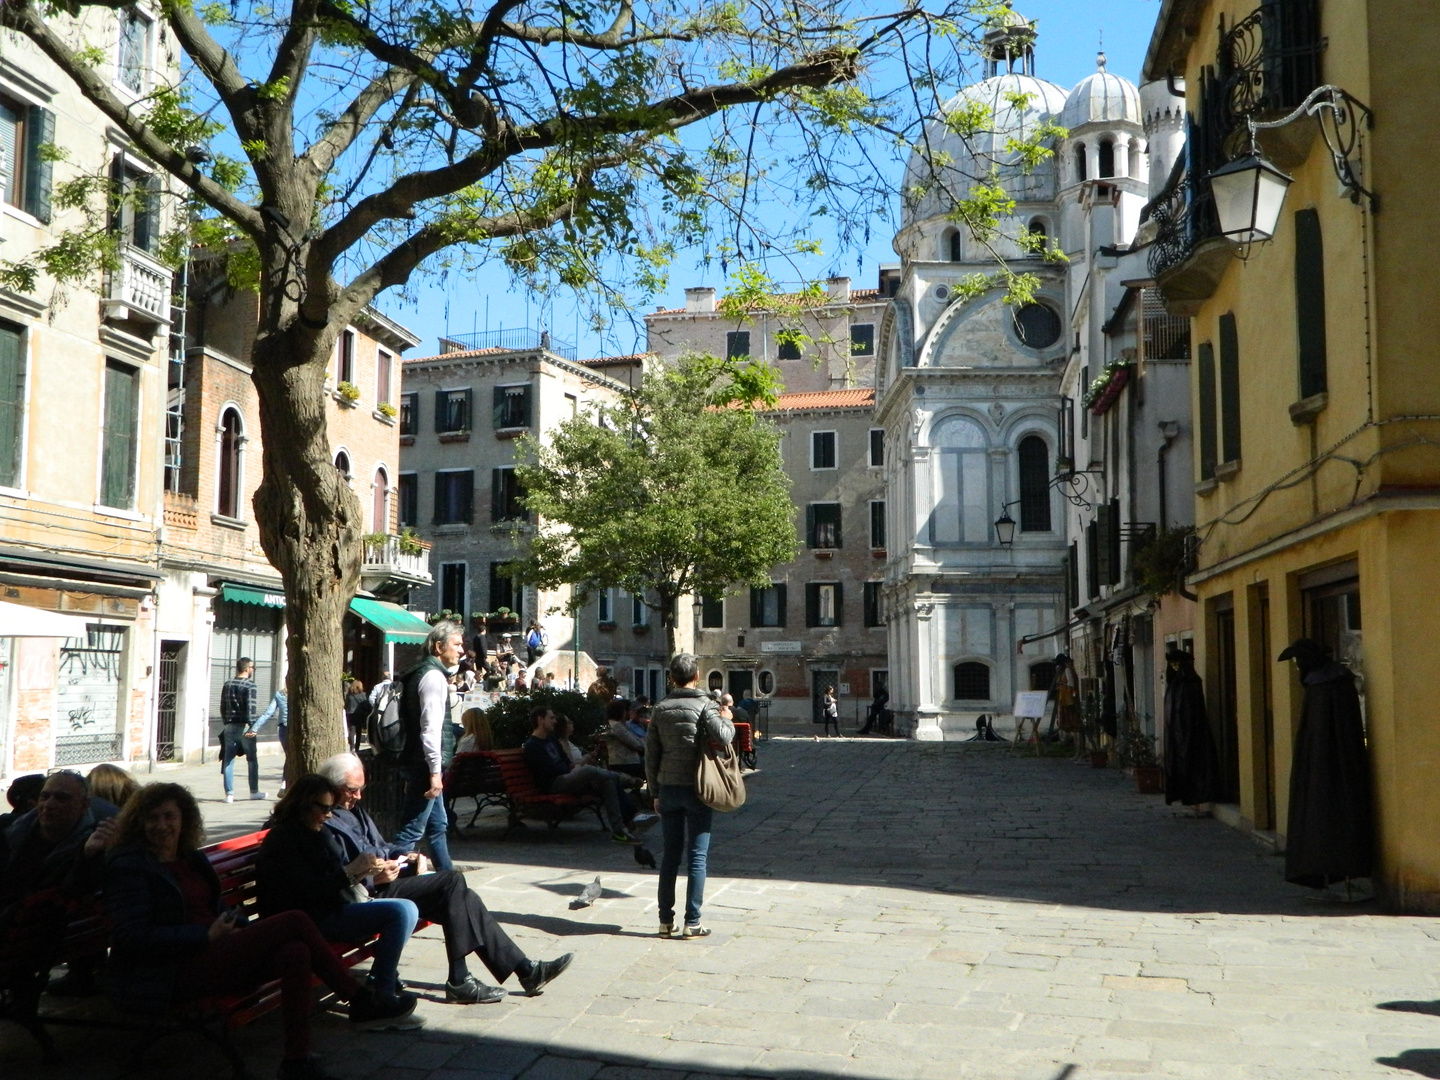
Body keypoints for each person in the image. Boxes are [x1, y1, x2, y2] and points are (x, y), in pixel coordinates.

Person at [104, 783, 416, 1080]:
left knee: (297, 952)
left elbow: (217, 907)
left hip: (217, 951)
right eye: (152, 818)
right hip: (171, 970)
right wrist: (205, 936)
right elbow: (132, 938)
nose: (162, 826)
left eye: (169, 816)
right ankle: (359, 1000)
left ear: (183, 819)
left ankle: (297, 1061)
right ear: (138, 823)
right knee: (294, 919)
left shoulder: (190, 858)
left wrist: (239, 928)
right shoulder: (131, 867)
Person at [319, 754, 574, 1002]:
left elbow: (382, 845)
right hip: (367, 895)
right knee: (451, 882)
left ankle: (521, 971)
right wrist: (376, 878)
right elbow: (342, 876)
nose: (359, 796)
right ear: (334, 786)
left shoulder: (354, 809)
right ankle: (467, 980)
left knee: (463, 898)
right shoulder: (326, 821)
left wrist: (406, 855)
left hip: (389, 881)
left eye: (361, 788)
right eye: (352, 790)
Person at [256, 775, 423, 1020]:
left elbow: (337, 875)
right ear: (303, 805)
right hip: (310, 919)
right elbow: (306, 892)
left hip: (332, 908)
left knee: (407, 909)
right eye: (324, 808)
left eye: (331, 808)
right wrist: (350, 872)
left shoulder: (318, 833)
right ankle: (382, 995)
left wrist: (365, 871)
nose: (328, 815)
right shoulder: (283, 839)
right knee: (400, 911)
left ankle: (381, 991)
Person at [646, 653, 733, 939]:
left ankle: (664, 922)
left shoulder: (660, 708)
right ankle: (692, 921)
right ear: (696, 677)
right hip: (697, 788)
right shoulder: (705, 705)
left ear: (671, 678)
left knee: (670, 856)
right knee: (697, 857)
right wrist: (726, 717)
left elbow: (651, 755)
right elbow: (724, 736)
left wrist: (654, 792)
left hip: (668, 788)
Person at [1278, 638, 1374, 890]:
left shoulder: (1322, 687)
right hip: (1340, 765)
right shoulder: (1334, 683)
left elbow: (1320, 734)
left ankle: (1329, 868)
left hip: (1323, 769)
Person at [392, 620, 462, 872]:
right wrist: (435, 771)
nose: (461, 650)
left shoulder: (421, 673)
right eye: (456, 644)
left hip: (420, 761)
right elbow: (430, 728)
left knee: (437, 826)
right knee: (411, 830)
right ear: (438, 646)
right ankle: (387, 880)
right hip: (425, 764)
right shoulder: (433, 677)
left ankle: (450, 882)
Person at [524, 706, 637, 843]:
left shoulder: (552, 740)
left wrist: (572, 768)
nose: (555, 721)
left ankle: (619, 831)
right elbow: (549, 770)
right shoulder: (532, 745)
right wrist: (572, 769)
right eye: (551, 718)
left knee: (607, 782)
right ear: (540, 720)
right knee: (587, 770)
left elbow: (566, 761)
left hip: (568, 778)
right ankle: (624, 778)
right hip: (554, 784)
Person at [219, 656, 266, 803]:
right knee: (252, 759)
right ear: (246, 669)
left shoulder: (227, 684)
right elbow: (250, 708)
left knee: (228, 760)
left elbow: (222, 706)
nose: (253, 670)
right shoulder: (250, 685)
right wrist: (253, 726)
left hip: (230, 726)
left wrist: (226, 721)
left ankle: (229, 794)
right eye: (252, 668)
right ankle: (254, 791)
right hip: (245, 726)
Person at [253, 687, 290, 791]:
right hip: (296, 729)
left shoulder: (280, 695)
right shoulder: (300, 693)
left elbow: (268, 712)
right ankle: (287, 782)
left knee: (289, 756)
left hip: (283, 729)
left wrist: (254, 728)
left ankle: (284, 783)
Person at [605, 699, 646, 780]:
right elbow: (636, 745)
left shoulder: (617, 725)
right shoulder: (617, 727)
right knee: (654, 764)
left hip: (624, 761)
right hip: (625, 762)